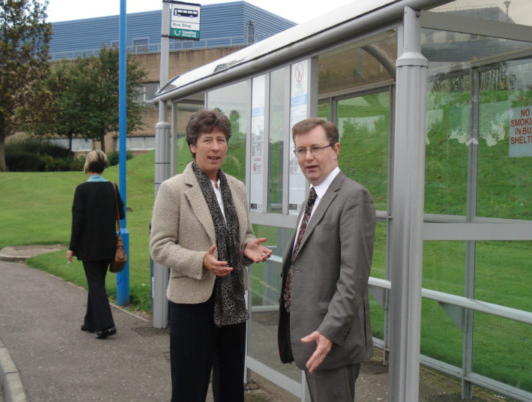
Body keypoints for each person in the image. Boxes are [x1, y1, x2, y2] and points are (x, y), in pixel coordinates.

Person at [149, 109, 273, 402]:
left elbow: (243, 234)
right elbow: (159, 245)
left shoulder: (237, 188)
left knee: (231, 388)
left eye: (221, 139)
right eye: (207, 140)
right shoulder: (174, 189)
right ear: (192, 145)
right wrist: (199, 261)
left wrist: (247, 247)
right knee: (189, 387)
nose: (215, 147)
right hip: (193, 305)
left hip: (232, 300)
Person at [278, 118, 376, 401]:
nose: (307, 158)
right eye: (300, 150)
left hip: (331, 340)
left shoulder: (353, 197)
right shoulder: (314, 196)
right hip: (309, 333)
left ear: (336, 150)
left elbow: (353, 277)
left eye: (316, 148)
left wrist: (329, 332)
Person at [67, 150, 125, 340]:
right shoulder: (112, 187)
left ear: (87, 166)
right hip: (108, 244)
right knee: (97, 282)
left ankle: (106, 325)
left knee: (95, 283)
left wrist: (71, 248)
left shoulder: (81, 190)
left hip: (89, 246)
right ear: (103, 166)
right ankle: (90, 322)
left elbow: (78, 222)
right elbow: (121, 214)